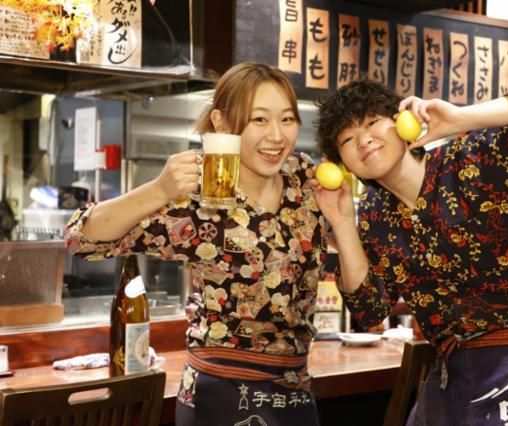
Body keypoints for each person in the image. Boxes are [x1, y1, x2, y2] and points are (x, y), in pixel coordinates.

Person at [312, 80, 508, 425]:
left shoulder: (475, 158)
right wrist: (343, 223)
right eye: (347, 139)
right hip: (456, 377)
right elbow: (370, 308)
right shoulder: (375, 214)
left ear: (403, 121)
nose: (363, 140)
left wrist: (462, 118)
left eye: (373, 122)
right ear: (343, 165)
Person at [65, 62, 327, 426]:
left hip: (295, 388)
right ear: (221, 123)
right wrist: (159, 189)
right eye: (259, 119)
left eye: (287, 119)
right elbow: (80, 238)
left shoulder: (304, 181)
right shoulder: (199, 194)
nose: (277, 135)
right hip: (220, 389)